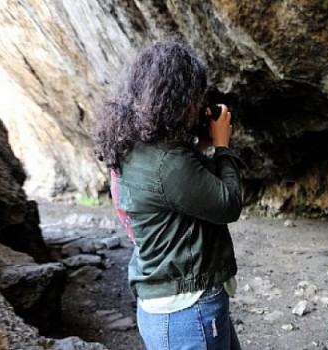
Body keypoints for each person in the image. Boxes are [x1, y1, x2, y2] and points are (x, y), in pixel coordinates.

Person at [92, 40, 243, 349]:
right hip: (190, 311)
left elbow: (181, 194)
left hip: (164, 302)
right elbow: (228, 204)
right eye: (196, 98)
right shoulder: (169, 161)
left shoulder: (131, 145)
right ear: (176, 98)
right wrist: (222, 147)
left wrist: (200, 144)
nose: (201, 106)